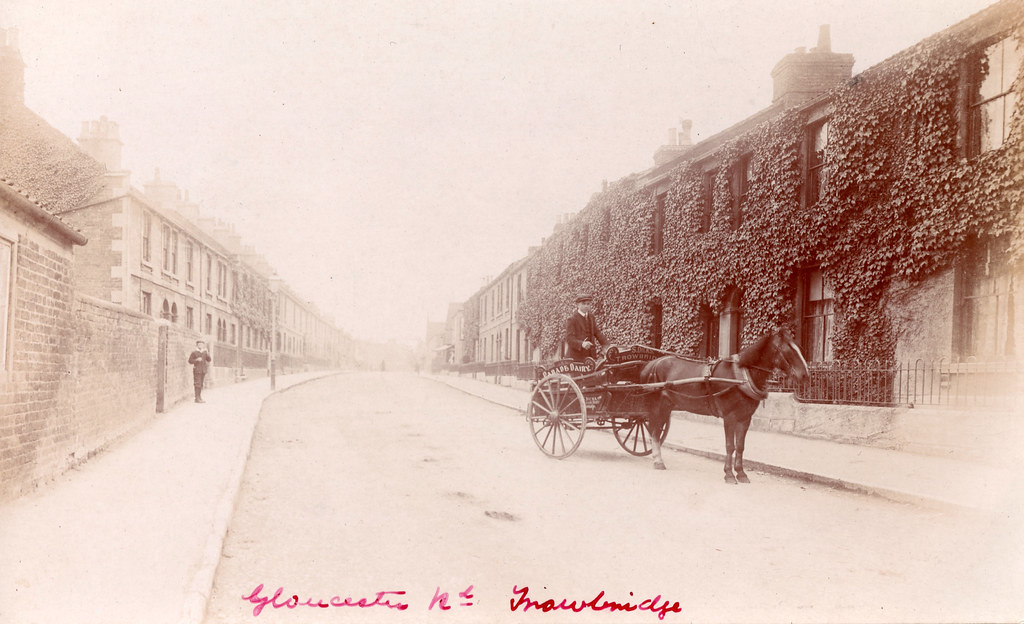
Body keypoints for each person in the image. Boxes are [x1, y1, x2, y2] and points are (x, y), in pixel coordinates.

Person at [566, 294, 608, 362]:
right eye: (583, 304)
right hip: (576, 358)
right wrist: (582, 344)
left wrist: (606, 344)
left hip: (590, 356)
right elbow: (569, 339)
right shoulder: (572, 319)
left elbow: (597, 332)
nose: (586, 306)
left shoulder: (591, 317)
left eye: (588, 304)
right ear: (578, 305)